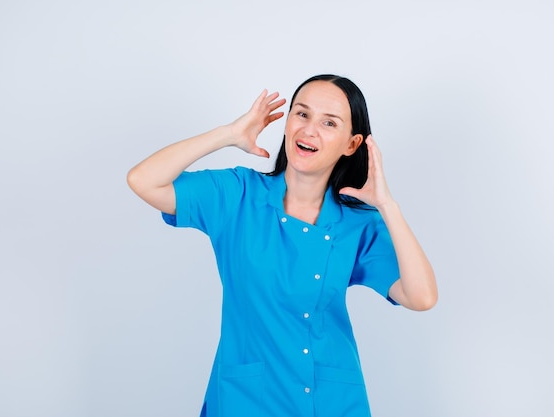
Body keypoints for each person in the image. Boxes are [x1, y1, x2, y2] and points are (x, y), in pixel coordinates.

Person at [127, 74, 437, 417]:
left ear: (351, 144)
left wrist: (387, 205)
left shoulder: (358, 222)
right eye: (301, 114)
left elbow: (421, 297)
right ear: (287, 122)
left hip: (331, 401)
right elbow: (143, 180)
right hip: (247, 399)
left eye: (329, 122)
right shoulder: (238, 195)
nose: (309, 130)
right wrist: (228, 135)